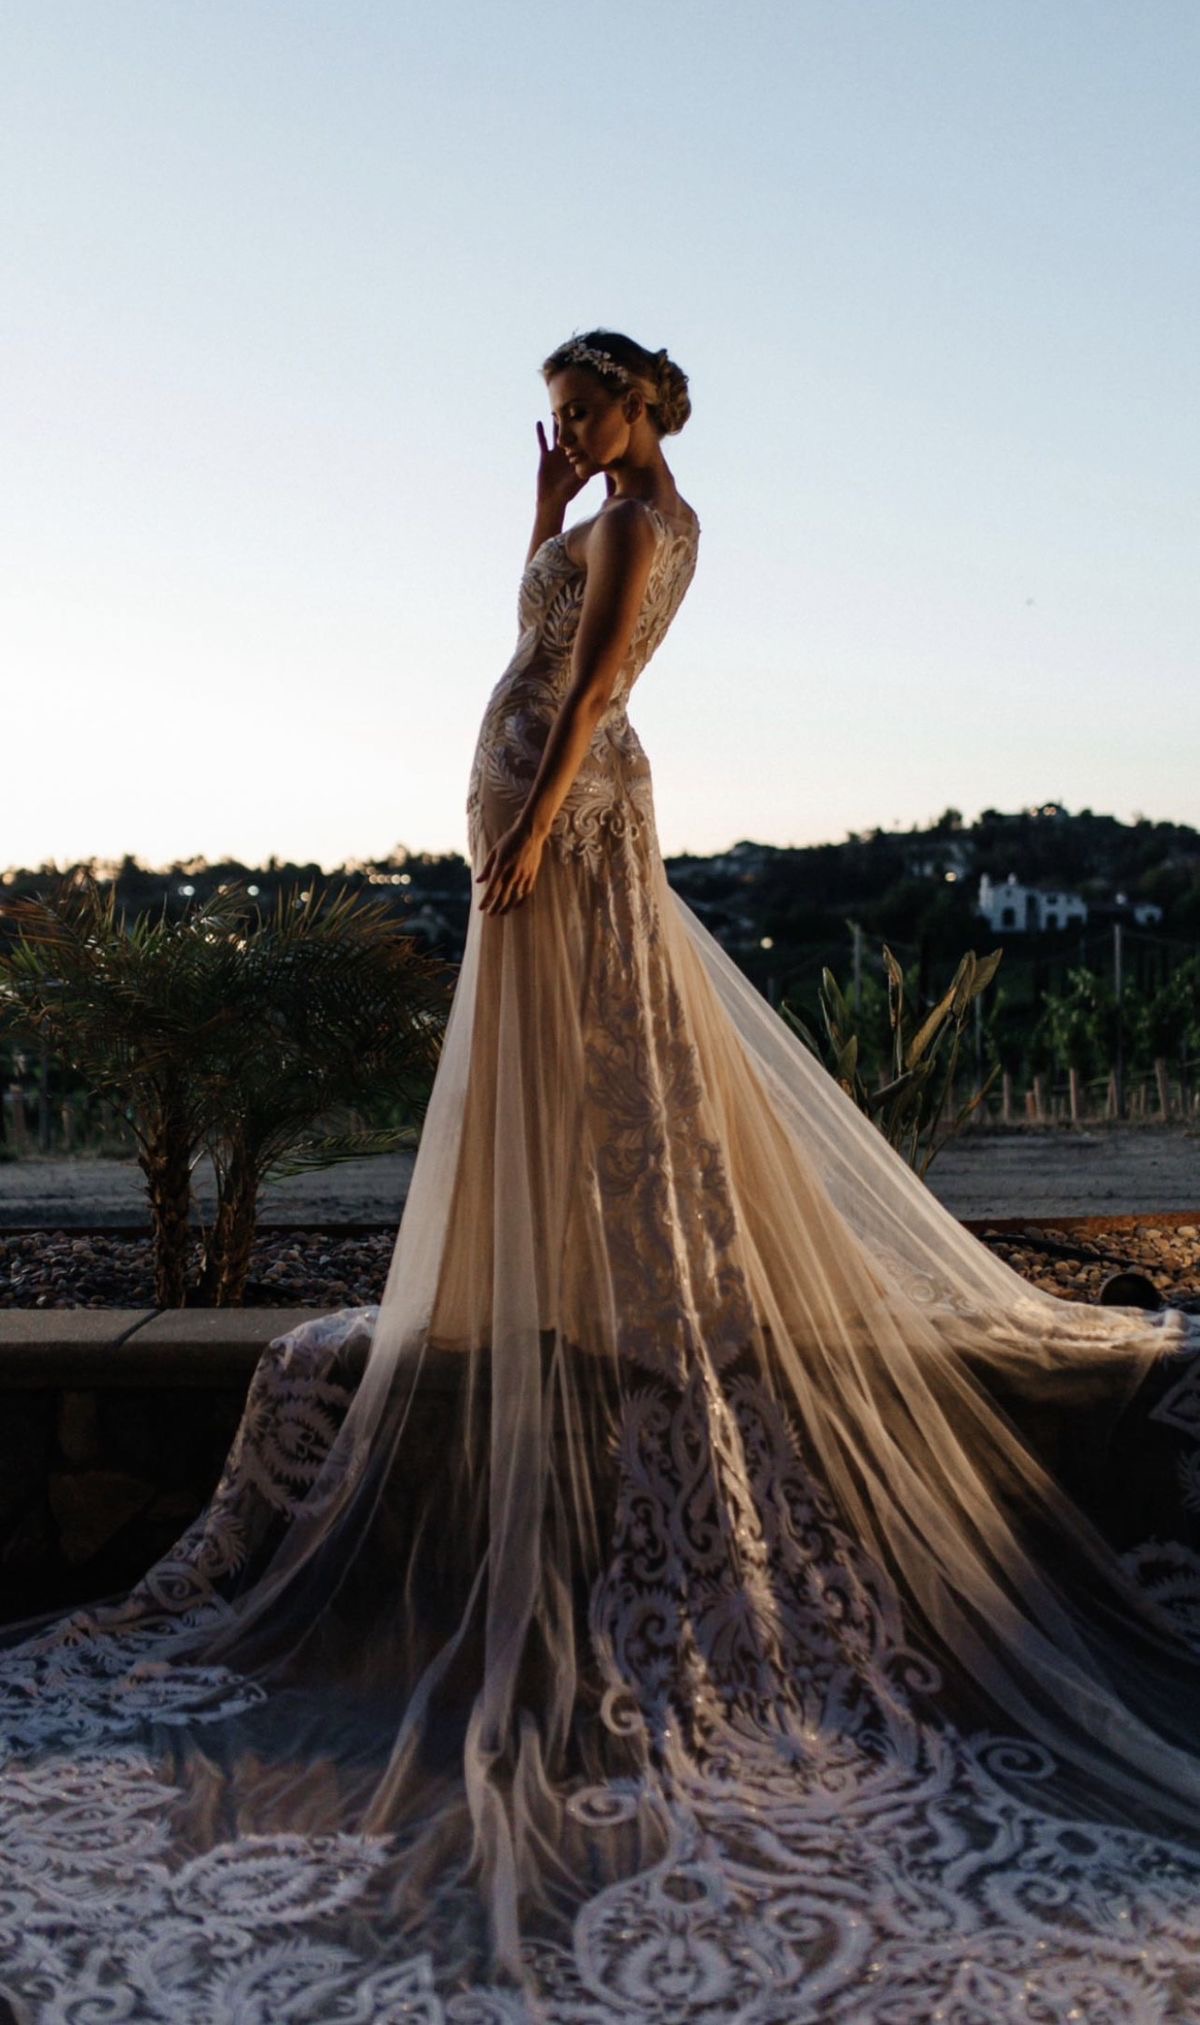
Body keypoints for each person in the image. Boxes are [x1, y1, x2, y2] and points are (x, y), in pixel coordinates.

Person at [2, 330, 1200, 2022]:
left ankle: (626, 1276)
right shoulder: (606, 505)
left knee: (615, 1058)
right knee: (571, 1064)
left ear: (646, 407)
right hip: (548, 803)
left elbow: (582, 683)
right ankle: (567, 1261)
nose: (567, 428)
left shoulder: (648, 523)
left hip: (567, 808)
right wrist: (537, 504)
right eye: (557, 410)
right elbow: (536, 633)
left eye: (588, 410)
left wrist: (531, 821)